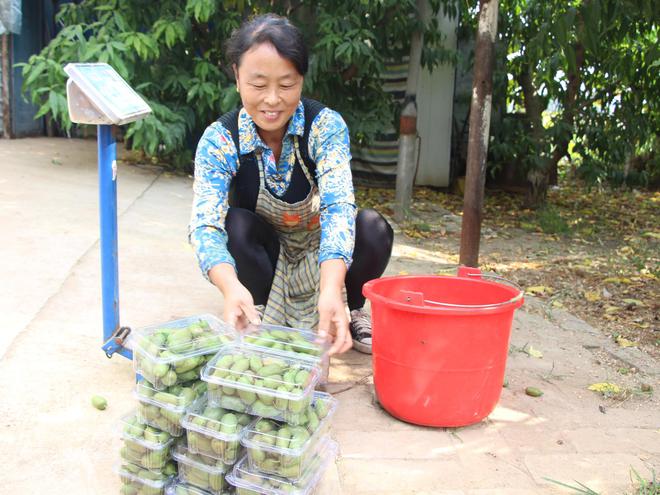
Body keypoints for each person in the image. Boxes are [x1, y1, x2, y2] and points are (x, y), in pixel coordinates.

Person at [189, 13, 393, 355]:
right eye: (258, 85)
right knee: (233, 225)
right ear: (237, 77)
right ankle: (258, 306)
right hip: (266, 252)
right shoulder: (220, 139)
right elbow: (204, 225)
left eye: (286, 85)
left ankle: (351, 307)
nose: (272, 100)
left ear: (301, 79)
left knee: (373, 228)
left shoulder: (325, 127)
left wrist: (332, 289)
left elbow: (338, 208)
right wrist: (229, 287)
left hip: (321, 248)